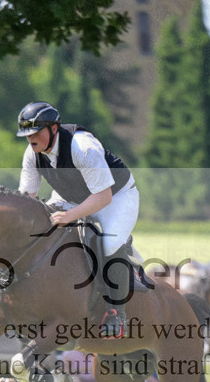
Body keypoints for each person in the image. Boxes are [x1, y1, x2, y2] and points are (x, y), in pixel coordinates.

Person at [16, 101, 138, 338]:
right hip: (72, 195)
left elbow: (103, 196)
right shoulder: (32, 154)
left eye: (36, 131)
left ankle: (116, 311)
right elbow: (27, 199)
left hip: (116, 196)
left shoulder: (82, 146)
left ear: (53, 128)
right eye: (26, 134)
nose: (31, 138)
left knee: (109, 242)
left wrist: (70, 216)